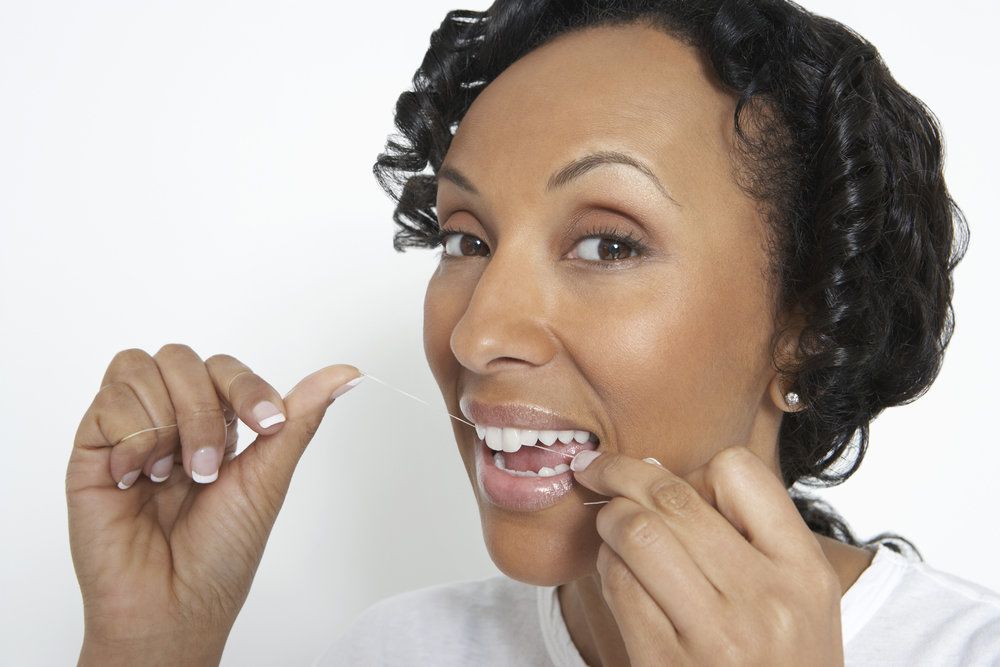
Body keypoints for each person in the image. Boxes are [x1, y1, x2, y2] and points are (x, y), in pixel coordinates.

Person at [66, 1, 999, 665]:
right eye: (465, 239)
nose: (476, 334)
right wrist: (149, 648)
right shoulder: (397, 652)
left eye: (606, 241)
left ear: (809, 325)